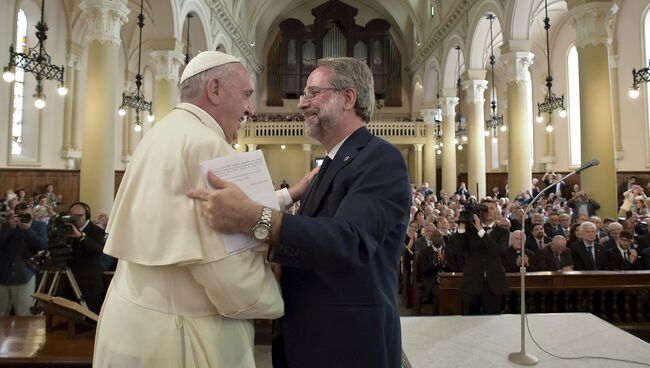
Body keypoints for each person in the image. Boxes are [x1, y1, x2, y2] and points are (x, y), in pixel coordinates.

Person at [188, 57, 410, 368]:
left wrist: (258, 218)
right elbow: (312, 246)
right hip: (307, 338)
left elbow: (350, 240)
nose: (301, 104)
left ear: (348, 98)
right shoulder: (327, 167)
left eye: (312, 93)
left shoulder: (379, 159)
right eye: (302, 95)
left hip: (348, 345)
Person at [93, 51, 309, 367]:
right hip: (180, 338)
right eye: (246, 94)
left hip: (131, 325)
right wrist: (281, 296)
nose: (250, 108)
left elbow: (180, 218)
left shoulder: (161, 133)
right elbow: (227, 274)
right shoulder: (207, 144)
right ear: (215, 89)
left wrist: (287, 194)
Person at [455, 198, 509, 315]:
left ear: (497, 212)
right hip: (472, 282)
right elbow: (457, 250)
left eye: (491, 208)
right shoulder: (469, 231)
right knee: (469, 318)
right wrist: (462, 226)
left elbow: (497, 250)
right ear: (480, 212)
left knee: (492, 319)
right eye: (485, 209)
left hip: (494, 283)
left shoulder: (503, 232)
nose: (488, 211)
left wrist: (479, 229)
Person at [0, 203, 47, 316]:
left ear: (32, 214)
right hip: (3, 276)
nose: (25, 218)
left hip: (25, 275)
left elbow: (43, 245)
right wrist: (9, 228)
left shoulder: (38, 225)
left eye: (28, 215)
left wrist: (27, 230)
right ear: (15, 215)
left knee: (23, 314)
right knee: (1, 314)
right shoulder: (7, 226)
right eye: (21, 215)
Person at [63, 202, 107, 314]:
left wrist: (80, 236)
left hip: (89, 281)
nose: (75, 219)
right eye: (72, 216)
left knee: (89, 314)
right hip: (70, 277)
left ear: (87, 215)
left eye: (79, 216)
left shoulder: (96, 231)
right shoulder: (66, 230)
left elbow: (98, 249)